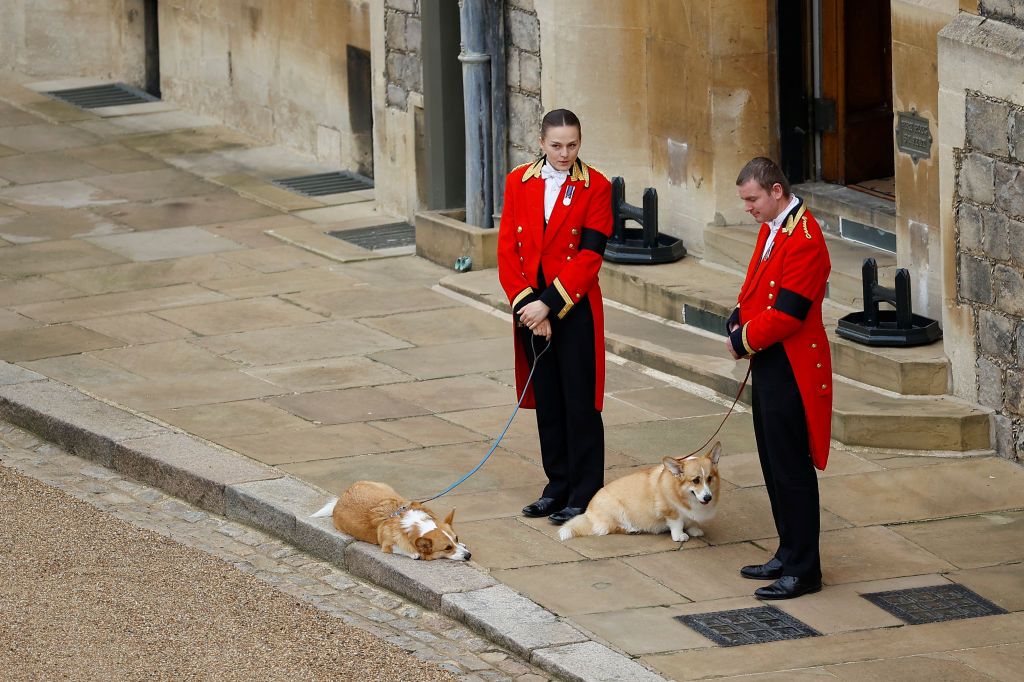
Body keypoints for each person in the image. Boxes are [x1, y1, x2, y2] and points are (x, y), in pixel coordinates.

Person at [496, 109, 612, 526]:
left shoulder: (596, 186)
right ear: (541, 143)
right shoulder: (517, 182)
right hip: (530, 311)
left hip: (574, 308)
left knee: (579, 403)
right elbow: (508, 250)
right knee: (547, 400)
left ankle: (585, 492)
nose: (565, 153)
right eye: (557, 145)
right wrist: (530, 307)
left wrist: (549, 304)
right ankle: (557, 485)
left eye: (573, 145)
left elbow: (591, 255)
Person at [726, 157, 833, 600]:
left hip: (792, 363)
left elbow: (788, 314)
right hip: (769, 358)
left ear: (775, 191)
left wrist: (741, 339)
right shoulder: (773, 228)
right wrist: (736, 320)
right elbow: (755, 291)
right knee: (772, 461)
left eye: (752, 199)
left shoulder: (805, 238)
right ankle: (788, 551)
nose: (748, 208)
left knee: (791, 468)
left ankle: (805, 569)